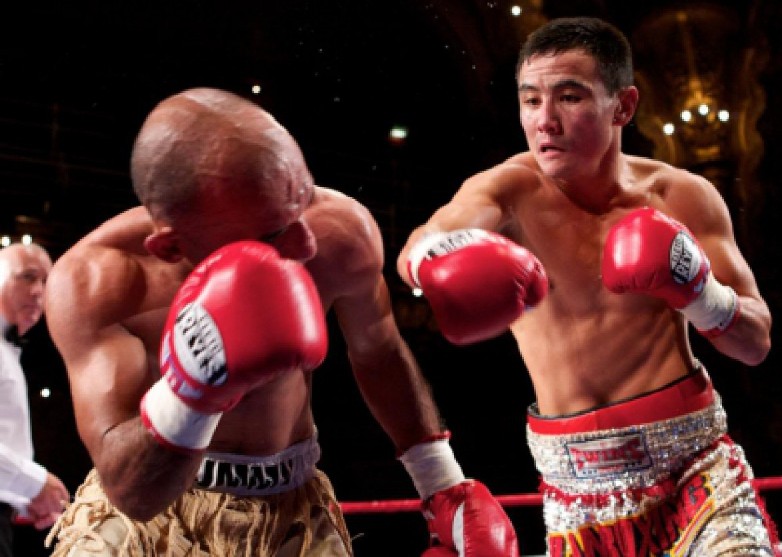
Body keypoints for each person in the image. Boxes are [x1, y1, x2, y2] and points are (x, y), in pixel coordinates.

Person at [42, 87, 518, 556]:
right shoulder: (98, 281)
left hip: (292, 508)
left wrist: (442, 483)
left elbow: (378, 352)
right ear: (170, 247)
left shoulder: (341, 231)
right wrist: (190, 392)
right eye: (273, 233)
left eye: (303, 199)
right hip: (147, 520)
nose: (308, 245)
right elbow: (133, 495)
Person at [397, 16, 781, 556]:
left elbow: (755, 342)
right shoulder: (508, 192)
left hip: (695, 472)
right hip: (575, 496)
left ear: (623, 106)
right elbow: (425, 242)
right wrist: (433, 259)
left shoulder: (680, 196)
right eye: (531, 101)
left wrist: (701, 293)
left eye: (569, 97)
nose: (545, 121)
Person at [0, 242, 71, 555]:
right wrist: (34, 483)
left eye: (45, 282)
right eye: (27, 277)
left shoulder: (8, 351)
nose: (39, 291)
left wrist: (24, 498)